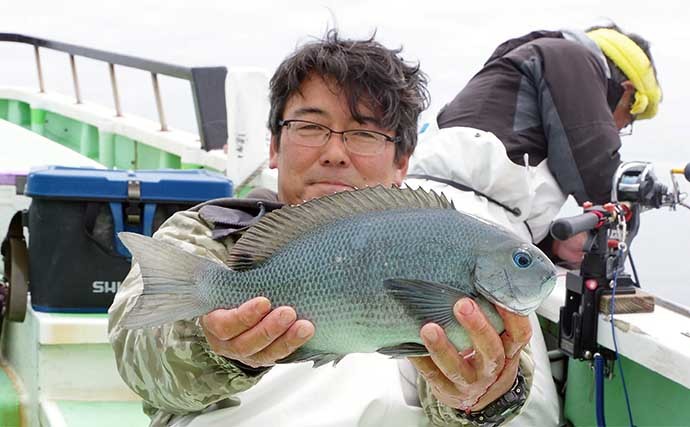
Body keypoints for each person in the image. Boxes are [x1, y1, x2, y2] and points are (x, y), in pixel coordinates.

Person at [109, 30, 554, 427]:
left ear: (402, 160)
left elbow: (502, 400)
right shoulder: (207, 234)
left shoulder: (447, 243)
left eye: (364, 133)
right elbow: (139, 358)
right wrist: (213, 345)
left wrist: (479, 397)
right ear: (273, 144)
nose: (335, 152)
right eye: (310, 126)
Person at [406, 23, 661, 265]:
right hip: (468, 226)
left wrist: (554, 244)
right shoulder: (572, 57)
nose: (617, 130)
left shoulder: (529, 61)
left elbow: (505, 196)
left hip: (428, 214)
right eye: (626, 122)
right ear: (627, 93)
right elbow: (598, 172)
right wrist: (636, 196)